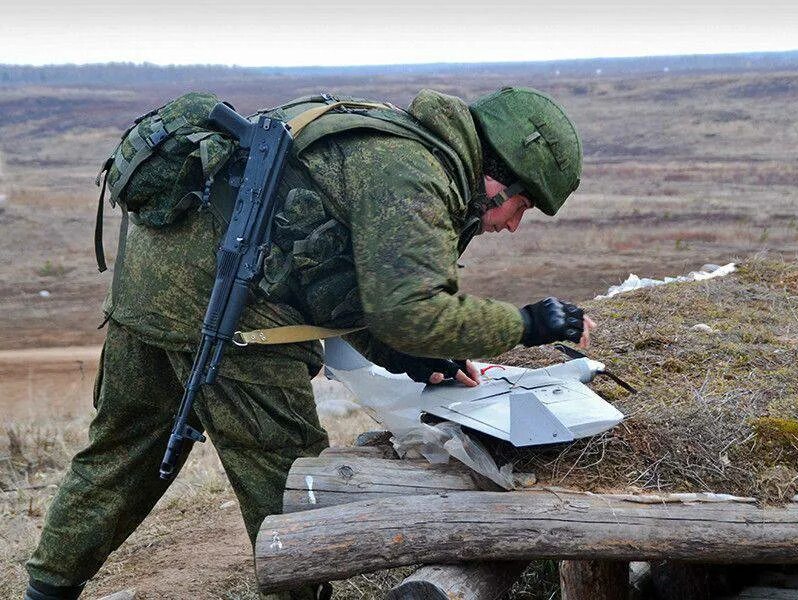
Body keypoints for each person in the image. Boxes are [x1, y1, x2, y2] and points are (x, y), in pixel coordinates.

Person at [23, 86, 593, 600]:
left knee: (120, 451)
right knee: (293, 484)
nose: (515, 226)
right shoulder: (413, 173)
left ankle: (46, 589)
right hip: (232, 316)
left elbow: (336, 276)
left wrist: (411, 357)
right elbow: (408, 310)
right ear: (501, 179)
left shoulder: (385, 135)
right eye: (523, 207)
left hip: (149, 290)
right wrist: (534, 323)